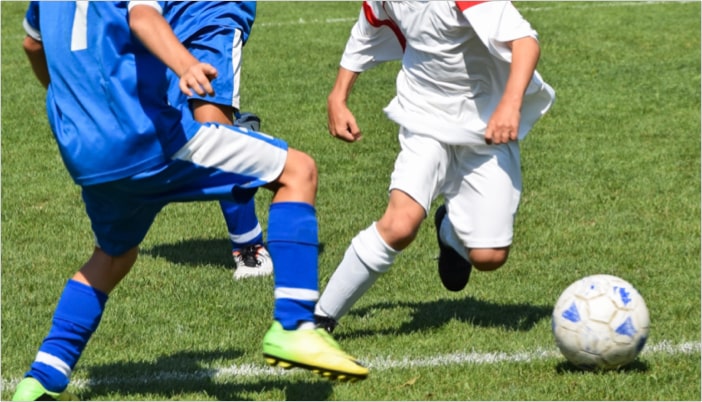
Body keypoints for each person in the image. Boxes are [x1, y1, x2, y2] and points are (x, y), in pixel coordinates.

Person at [13, 2, 368, 400]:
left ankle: (41, 377)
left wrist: (74, 108)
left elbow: (32, 44)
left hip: (86, 153)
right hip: (149, 140)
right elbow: (143, 16)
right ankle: (294, 326)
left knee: (112, 257)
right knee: (298, 172)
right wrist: (185, 64)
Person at [313, 1, 556, 333]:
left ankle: (450, 231)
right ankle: (317, 320)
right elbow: (367, 30)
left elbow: (525, 41)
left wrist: (510, 106)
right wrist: (338, 96)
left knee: (490, 257)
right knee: (400, 224)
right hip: (423, 116)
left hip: (485, 124)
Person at [164, 1, 272, 280]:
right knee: (164, 137)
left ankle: (251, 250)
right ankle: (244, 137)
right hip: (161, 18)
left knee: (213, 135)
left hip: (213, 14)